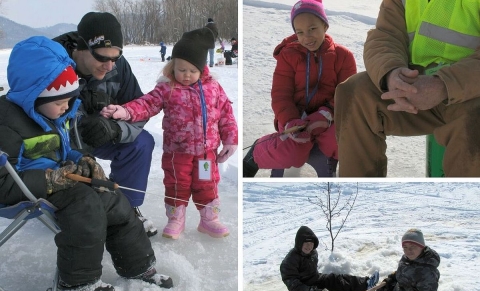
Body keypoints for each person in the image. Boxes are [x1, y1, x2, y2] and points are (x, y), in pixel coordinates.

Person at [0, 36, 173, 291]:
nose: (67, 108)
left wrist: (84, 160)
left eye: (70, 101)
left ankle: (138, 266)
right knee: (86, 203)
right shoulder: (6, 123)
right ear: (35, 94)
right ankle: (78, 283)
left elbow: (64, 148)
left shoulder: (54, 114)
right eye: (61, 102)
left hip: (63, 181)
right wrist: (49, 179)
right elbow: (3, 183)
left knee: (113, 198)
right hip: (25, 189)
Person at [100, 27, 238, 240]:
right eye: (181, 69)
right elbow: (146, 104)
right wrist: (125, 111)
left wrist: (230, 139)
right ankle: (176, 219)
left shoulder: (214, 88)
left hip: (205, 154)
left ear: (202, 68)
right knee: (177, 184)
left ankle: (209, 220)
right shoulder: (167, 89)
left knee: (206, 184)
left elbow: (226, 113)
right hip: (177, 153)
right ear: (172, 67)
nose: (186, 75)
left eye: (192, 70)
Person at [335, 0, 480, 177]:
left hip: (470, 90)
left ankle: (461, 203)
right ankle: (358, 196)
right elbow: (386, 34)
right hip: (415, 84)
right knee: (356, 93)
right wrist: (391, 74)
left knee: (474, 123)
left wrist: (444, 85)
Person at [53, 12, 158, 236]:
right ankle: (66, 207)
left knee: (141, 142)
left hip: (101, 136)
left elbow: (139, 109)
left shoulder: (119, 68)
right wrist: (76, 126)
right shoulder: (53, 65)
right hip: (61, 143)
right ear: (81, 48)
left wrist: (115, 128)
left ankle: (126, 209)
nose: (109, 66)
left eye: (116, 58)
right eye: (102, 58)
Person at [243, 0, 356, 177]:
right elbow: (281, 95)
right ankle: (255, 153)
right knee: (292, 152)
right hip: (295, 120)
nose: (307, 37)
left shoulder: (344, 56)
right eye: (300, 32)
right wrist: (290, 120)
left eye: (312, 29)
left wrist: (326, 114)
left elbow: (347, 93)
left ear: (325, 26)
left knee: (345, 144)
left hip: (330, 118)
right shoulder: (288, 56)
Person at [376, 229, 440, 291]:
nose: (408, 251)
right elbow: (402, 272)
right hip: (401, 289)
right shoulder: (407, 258)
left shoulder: (427, 272)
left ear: (421, 246)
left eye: (412, 247)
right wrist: (390, 279)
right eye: (405, 247)